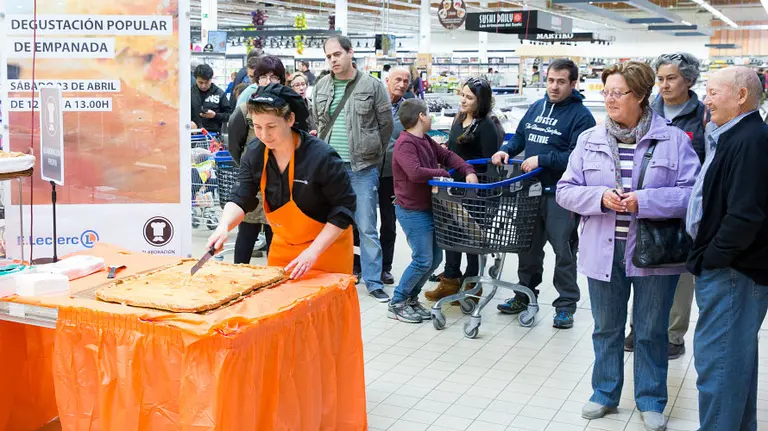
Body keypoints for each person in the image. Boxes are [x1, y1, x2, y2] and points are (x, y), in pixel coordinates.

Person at [556, 61, 700, 431]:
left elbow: (691, 195)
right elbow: (565, 190)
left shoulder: (672, 139)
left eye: (617, 93)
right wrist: (600, 196)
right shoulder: (589, 139)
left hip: (655, 254)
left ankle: (651, 398)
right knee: (606, 328)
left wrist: (645, 202)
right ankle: (604, 393)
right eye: (605, 92)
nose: (609, 99)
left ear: (639, 96)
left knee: (651, 330)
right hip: (602, 250)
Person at [686, 67, 768, 431]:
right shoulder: (737, 135)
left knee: (718, 366)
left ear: (741, 96)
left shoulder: (750, 140)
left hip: (733, 273)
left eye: (714, 92)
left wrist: (710, 259)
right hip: (733, 271)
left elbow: (745, 216)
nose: (706, 99)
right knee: (735, 366)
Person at [208, 84, 356, 280]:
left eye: (271, 127)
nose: (263, 135)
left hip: (326, 250)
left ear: (290, 119)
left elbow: (343, 210)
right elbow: (241, 196)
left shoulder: (321, 157)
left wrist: (313, 252)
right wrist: (224, 226)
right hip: (284, 249)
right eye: (257, 127)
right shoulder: (255, 153)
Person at [492, 59, 596, 329]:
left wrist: (544, 160)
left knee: (563, 251)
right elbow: (520, 136)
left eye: (561, 82)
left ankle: (565, 305)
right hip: (528, 191)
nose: (554, 86)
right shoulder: (538, 107)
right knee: (526, 247)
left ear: (573, 84)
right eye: (551, 80)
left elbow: (578, 157)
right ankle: (524, 295)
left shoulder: (582, 116)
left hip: (560, 195)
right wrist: (507, 150)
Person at [624, 52, 707, 359]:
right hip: (642, 207)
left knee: (679, 270)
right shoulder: (647, 110)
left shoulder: (703, 115)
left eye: (671, 78)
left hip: (684, 209)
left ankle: (673, 334)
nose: (665, 84)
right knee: (641, 266)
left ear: (688, 80)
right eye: (660, 79)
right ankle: (638, 327)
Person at [313, 35, 395, 302]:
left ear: (350, 52)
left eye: (337, 54)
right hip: (329, 168)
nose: (333, 60)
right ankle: (334, 273)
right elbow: (317, 119)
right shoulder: (322, 86)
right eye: (328, 56)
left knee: (367, 226)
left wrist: (370, 151)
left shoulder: (372, 85)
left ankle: (373, 280)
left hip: (362, 168)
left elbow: (386, 127)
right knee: (330, 224)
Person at [389, 99, 478, 323]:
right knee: (422, 259)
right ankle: (397, 302)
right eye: (428, 114)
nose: (431, 118)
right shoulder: (405, 143)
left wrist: (466, 169)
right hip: (411, 210)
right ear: (420, 116)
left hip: (429, 208)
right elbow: (415, 173)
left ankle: (411, 298)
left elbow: (447, 156)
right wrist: (443, 173)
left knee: (435, 258)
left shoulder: (425, 140)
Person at [425, 77, 499, 303]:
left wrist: (482, 191)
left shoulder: (487, 126)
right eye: (462, 95)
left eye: (469, 97)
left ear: (481, 101)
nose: (463, 100)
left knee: (471, 240)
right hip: (453, 188)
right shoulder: (459, 118)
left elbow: (490, 163)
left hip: (474, 191)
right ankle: (450, 279)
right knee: (450, 234)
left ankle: (472, 285)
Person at [228, 57, 304, 264]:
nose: (269, 82)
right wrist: (248, 168)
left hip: (281, 182)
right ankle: (238, 278)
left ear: (282, 80)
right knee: (247, 233)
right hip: (254, 182)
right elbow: (235, 144)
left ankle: (274, 280)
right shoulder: (245, 110)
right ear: (256, 80)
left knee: (276, 235)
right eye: (263, 77)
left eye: (274, 77)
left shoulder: (290, 110)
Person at [379, 66, 411, 285]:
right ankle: (357, 263)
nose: (401, 84)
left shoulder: (409, 109)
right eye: (398, 80)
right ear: (387, 80)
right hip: (368, 169)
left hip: (393, 174)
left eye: (406, 81)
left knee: (389, 222)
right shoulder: (374, 103)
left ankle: (385, 267)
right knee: (361, 219)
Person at [190, 64, 231, 134]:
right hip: (194, 135)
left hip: (213, 136)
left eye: (207, 82)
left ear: (211, 79)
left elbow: (229, 115)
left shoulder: (219, 93)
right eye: (200, 82)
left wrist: (215, 115)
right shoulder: (189, 93)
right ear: (195, 79)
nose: (203, 86)